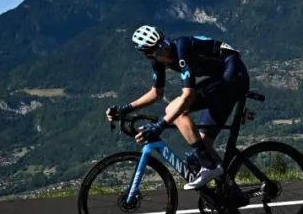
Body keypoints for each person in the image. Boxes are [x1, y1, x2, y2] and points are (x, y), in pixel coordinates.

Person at [106, 25, 249, 190]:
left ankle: (209, 167)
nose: (165, 51)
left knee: (175, 110)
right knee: (204, 145)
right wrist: (126, 108)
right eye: (159, 50)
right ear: (148, 55)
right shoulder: (156, 61)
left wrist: (160, 126)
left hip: (233, 75)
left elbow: (188, 96)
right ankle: (231, 192)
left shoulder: (182, 48)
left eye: (164, 44)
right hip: (220, 79)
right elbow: (156, 93)